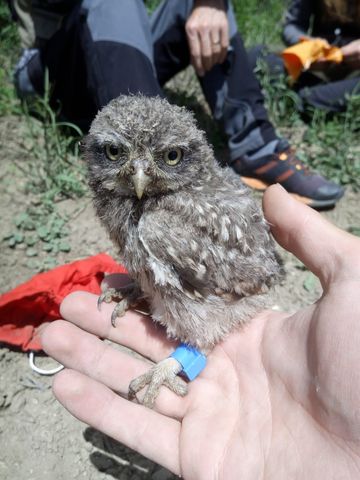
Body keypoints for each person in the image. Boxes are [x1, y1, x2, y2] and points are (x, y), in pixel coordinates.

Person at [42, 184, 360, 479]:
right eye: (114, 153)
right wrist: (150, 289)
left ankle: (179, 347)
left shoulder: (168, 220)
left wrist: (174, 362)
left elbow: (236, 289)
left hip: (224, 300)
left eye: (169, 156)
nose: (139, 175)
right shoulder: (125, 208)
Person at [10, 0, 344, 208]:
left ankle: (256, 147)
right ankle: (155, 188)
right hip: (50, 67)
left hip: (113, 49)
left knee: (203, 3)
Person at [249, 0, 360, 113]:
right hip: (315, 70)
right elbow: (292, 26)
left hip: (354, 79)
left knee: (312, 98)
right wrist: (308, 46)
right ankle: (307, 100)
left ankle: (305, 101)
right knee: (259, 56)